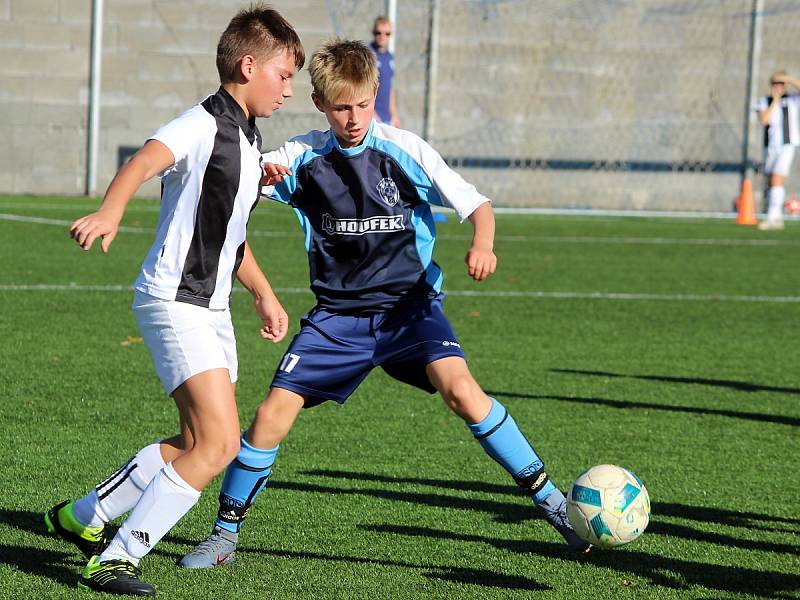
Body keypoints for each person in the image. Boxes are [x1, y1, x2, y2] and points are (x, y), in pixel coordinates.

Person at [178, 38, 591, 571]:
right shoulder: (299, 157)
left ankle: (555, 505)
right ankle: (223, 535)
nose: (353, 118)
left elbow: (477, 205)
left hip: (408, 309)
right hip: (336, 319)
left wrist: (482, 242)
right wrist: (262, 178)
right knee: (269, 417)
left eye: (362, 105)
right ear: (320, 105)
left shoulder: (404, 150)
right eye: (341, 107)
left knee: (463, 392)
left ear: (376, 93)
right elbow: (232, 198)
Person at [44, 6, 304, 596]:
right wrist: (111, 211)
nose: (290, 89)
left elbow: (228, 236)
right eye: (284, 75)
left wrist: (263, 294)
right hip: (175, 299)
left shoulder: (247, 138)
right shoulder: (205, 123)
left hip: (211, 308)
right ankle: (117, 557)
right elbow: (144, 158)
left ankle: (82, 516)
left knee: (196, 443)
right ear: (248, 65)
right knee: (217, 445)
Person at [757, 70, 800, 230]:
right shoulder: (765, 101)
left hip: (787, 145)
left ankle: (773, 217)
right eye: (775, 83)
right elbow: (764, 120)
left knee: (777, 178)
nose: (778, 87)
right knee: (772, 180)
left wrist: (789, 79)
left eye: (781, 84)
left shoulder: (793, 99)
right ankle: (776, 216)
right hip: (770, 146)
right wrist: (775, 100)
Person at [369, 15, 400, 127]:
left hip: (387, 118)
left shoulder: (389, 57)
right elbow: (361, 87)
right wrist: (371, 113)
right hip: (373, 117)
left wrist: (394, 115)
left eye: (387, 33)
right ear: (373, 33)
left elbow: (389, 88)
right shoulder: (368, 55)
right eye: (378, 33)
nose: (382, 36)